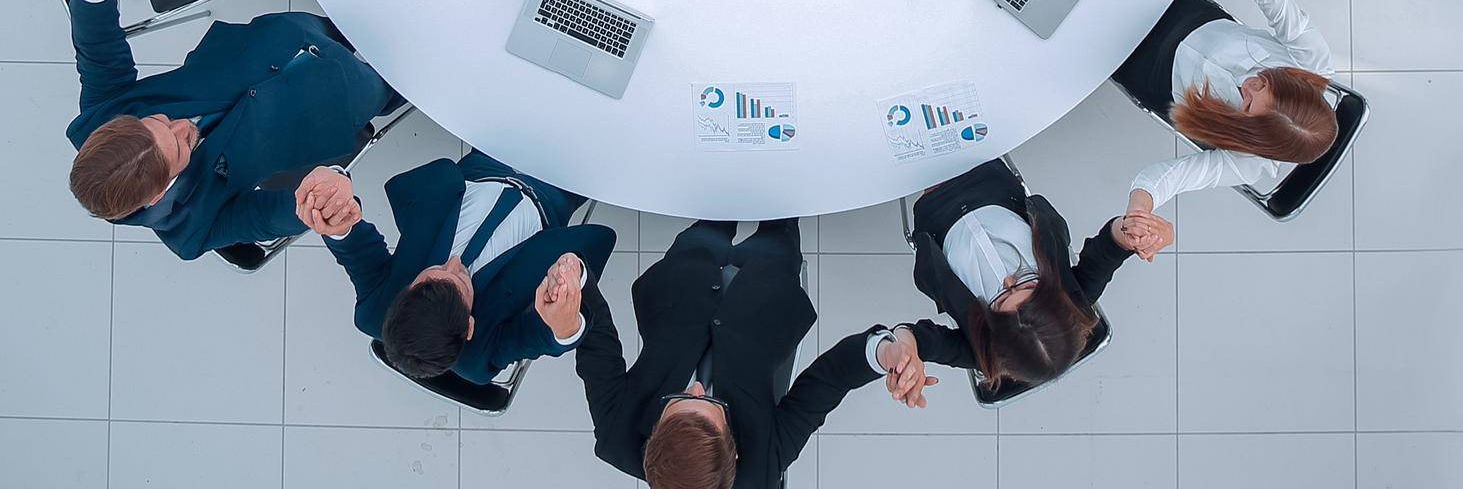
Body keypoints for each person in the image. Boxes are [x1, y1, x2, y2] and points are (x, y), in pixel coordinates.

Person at [61, 0, 394, 259]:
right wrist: (317, 203)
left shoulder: (96, 121)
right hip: (328, 107)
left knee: (360, 16)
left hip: (276, 40)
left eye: (158, 121)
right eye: (179, 146)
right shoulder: (191, 231)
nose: (179, 125)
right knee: (395, 79)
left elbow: (98, 50)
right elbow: (268, 217)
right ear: (158, 194)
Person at [576, 217, 950, 489]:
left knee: (713, 212)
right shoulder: (763, 465)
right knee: (780, 217)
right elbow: (831, 378)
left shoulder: (616, 438)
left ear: (652, 435)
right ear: (734, 452)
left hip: (684, 281)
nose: (696, 390)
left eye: (676, 400)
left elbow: (596, 341)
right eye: (712, 405)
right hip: (765, 292)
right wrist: (887, 353)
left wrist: (573, 281)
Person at [300, 149, 617, 383]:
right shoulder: (480, 357)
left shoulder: (377, 311)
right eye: (461, 280)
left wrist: (335, 213)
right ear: (469, 327)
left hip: (486, 157)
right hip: (555, 184)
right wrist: (564, 323)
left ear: (407, 290)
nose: (454, 263)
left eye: (434, 271)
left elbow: (354, 249)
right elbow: (548, 338)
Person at [907, 157, 1171, 392]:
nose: (1008, 281)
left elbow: (922, 341)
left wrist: (903, 351)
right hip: (985, 176)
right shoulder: (1074, 298)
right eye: (1025, 283)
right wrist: (1131, 233)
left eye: (999, 300)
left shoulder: (982, 349)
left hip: (934, 205)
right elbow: (1109, 249)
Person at [1117, 0, 1336, 219]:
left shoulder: (1248, 161)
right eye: (1264, 82)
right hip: (1190, 18)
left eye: (1247, 103)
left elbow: (1173, 178)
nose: (1246, 86)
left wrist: (1140, 208)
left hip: (1151, 72)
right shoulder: (1311, 61)